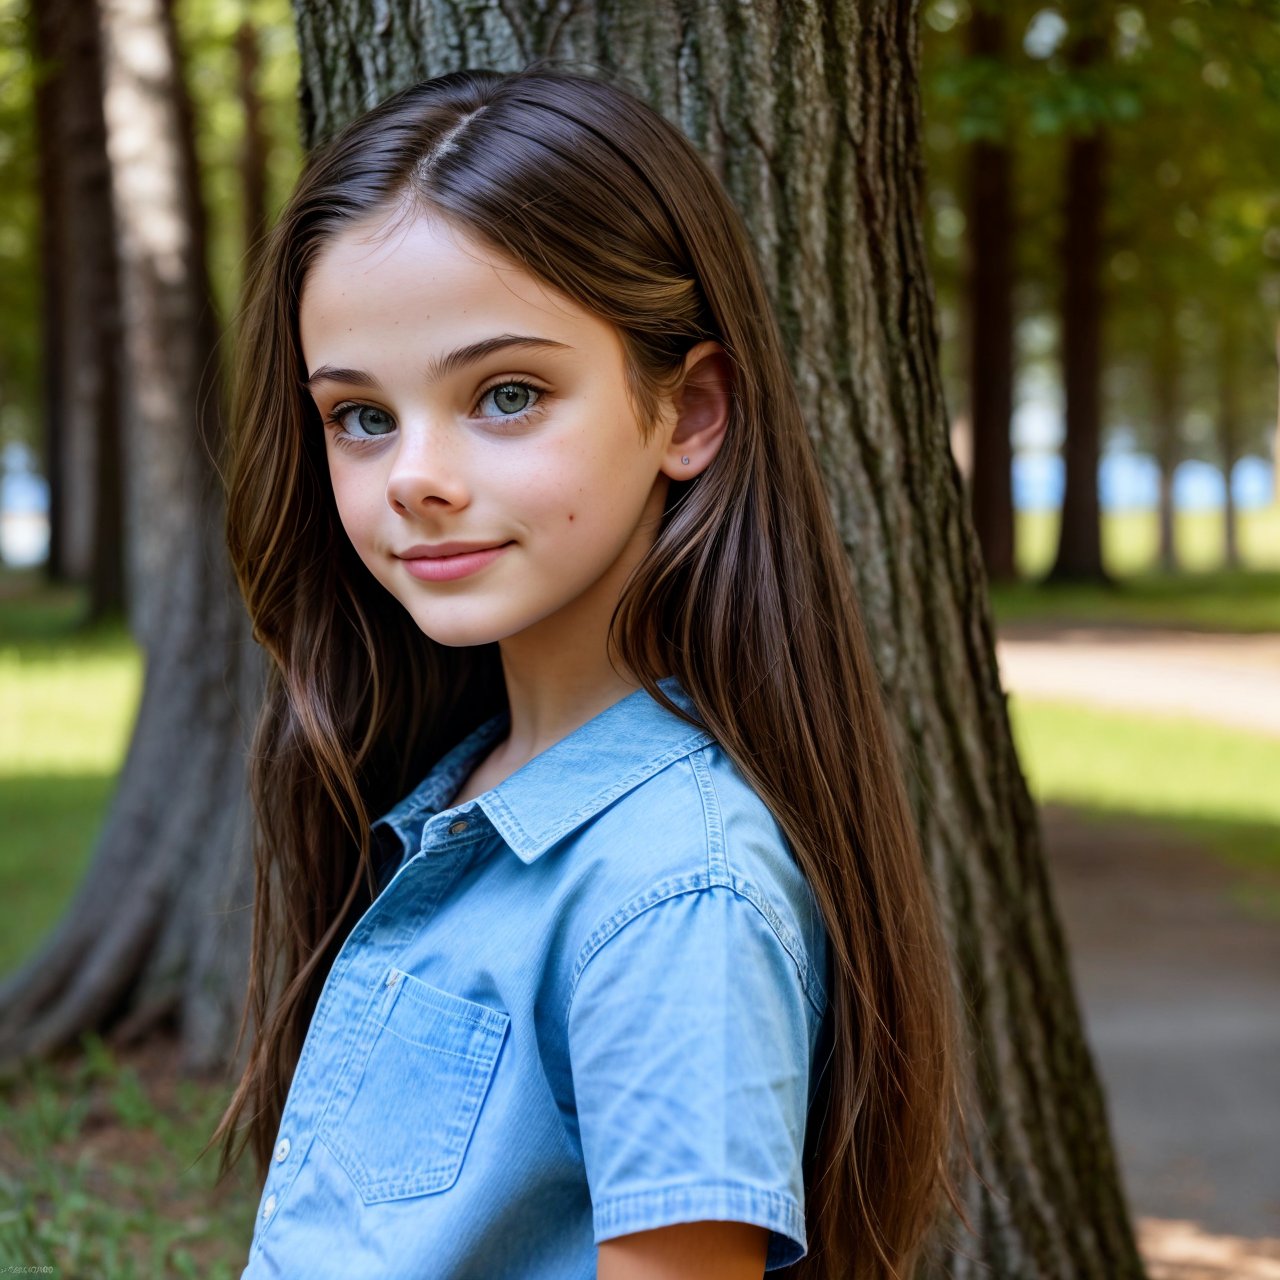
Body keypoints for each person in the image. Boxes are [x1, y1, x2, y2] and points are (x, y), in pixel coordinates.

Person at [211, 65, 968, 1280]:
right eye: (360, 416)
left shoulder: (674, 891)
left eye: (505, 394)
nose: (415, 474)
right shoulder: (460, 785)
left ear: (689, 410)